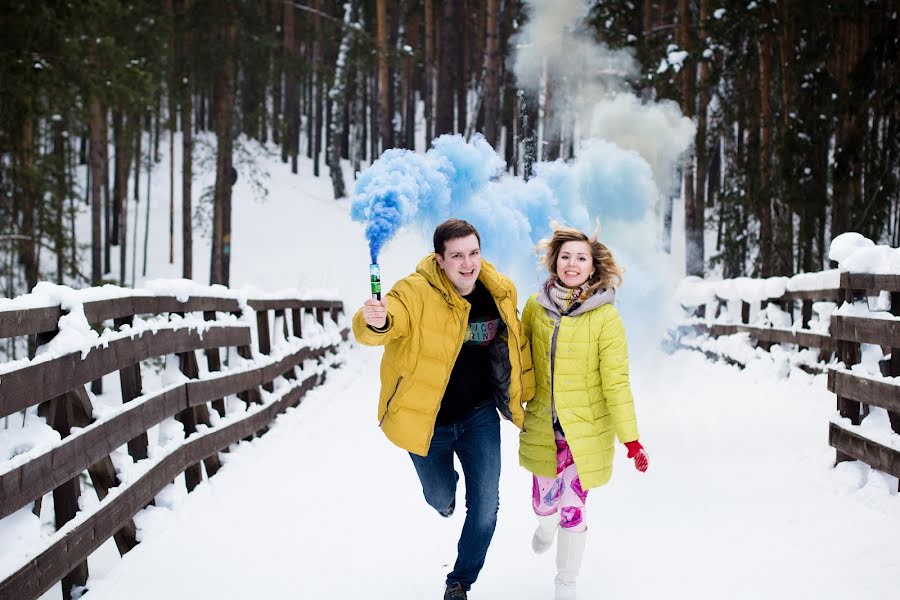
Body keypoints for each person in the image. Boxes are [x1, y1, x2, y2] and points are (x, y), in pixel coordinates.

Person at [353, 218, 535, 600]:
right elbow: (388, 321)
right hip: (427, 421)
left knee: (486, 507)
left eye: (473, 253)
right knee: (438, 496)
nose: (467, 264)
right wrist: (377, 321)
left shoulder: (498, 291)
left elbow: (516, 347)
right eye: (456, 256)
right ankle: (445, 497)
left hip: (479, 415)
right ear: (439, 260)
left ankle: (460, 581)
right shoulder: (414, 291)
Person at [518, 225, 649, 600]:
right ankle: (545, 527)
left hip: (585, 432)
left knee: (573, 509)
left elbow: (617, 382)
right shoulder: (535, 307)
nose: (572, 264)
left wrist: (632, 440)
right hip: (544, 427)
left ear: (593, 268)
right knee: (546, 508)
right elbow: (520, 361)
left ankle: (566, 585)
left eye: (581, 258)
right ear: (554, 262)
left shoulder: (606, 318)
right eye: (565, 257)